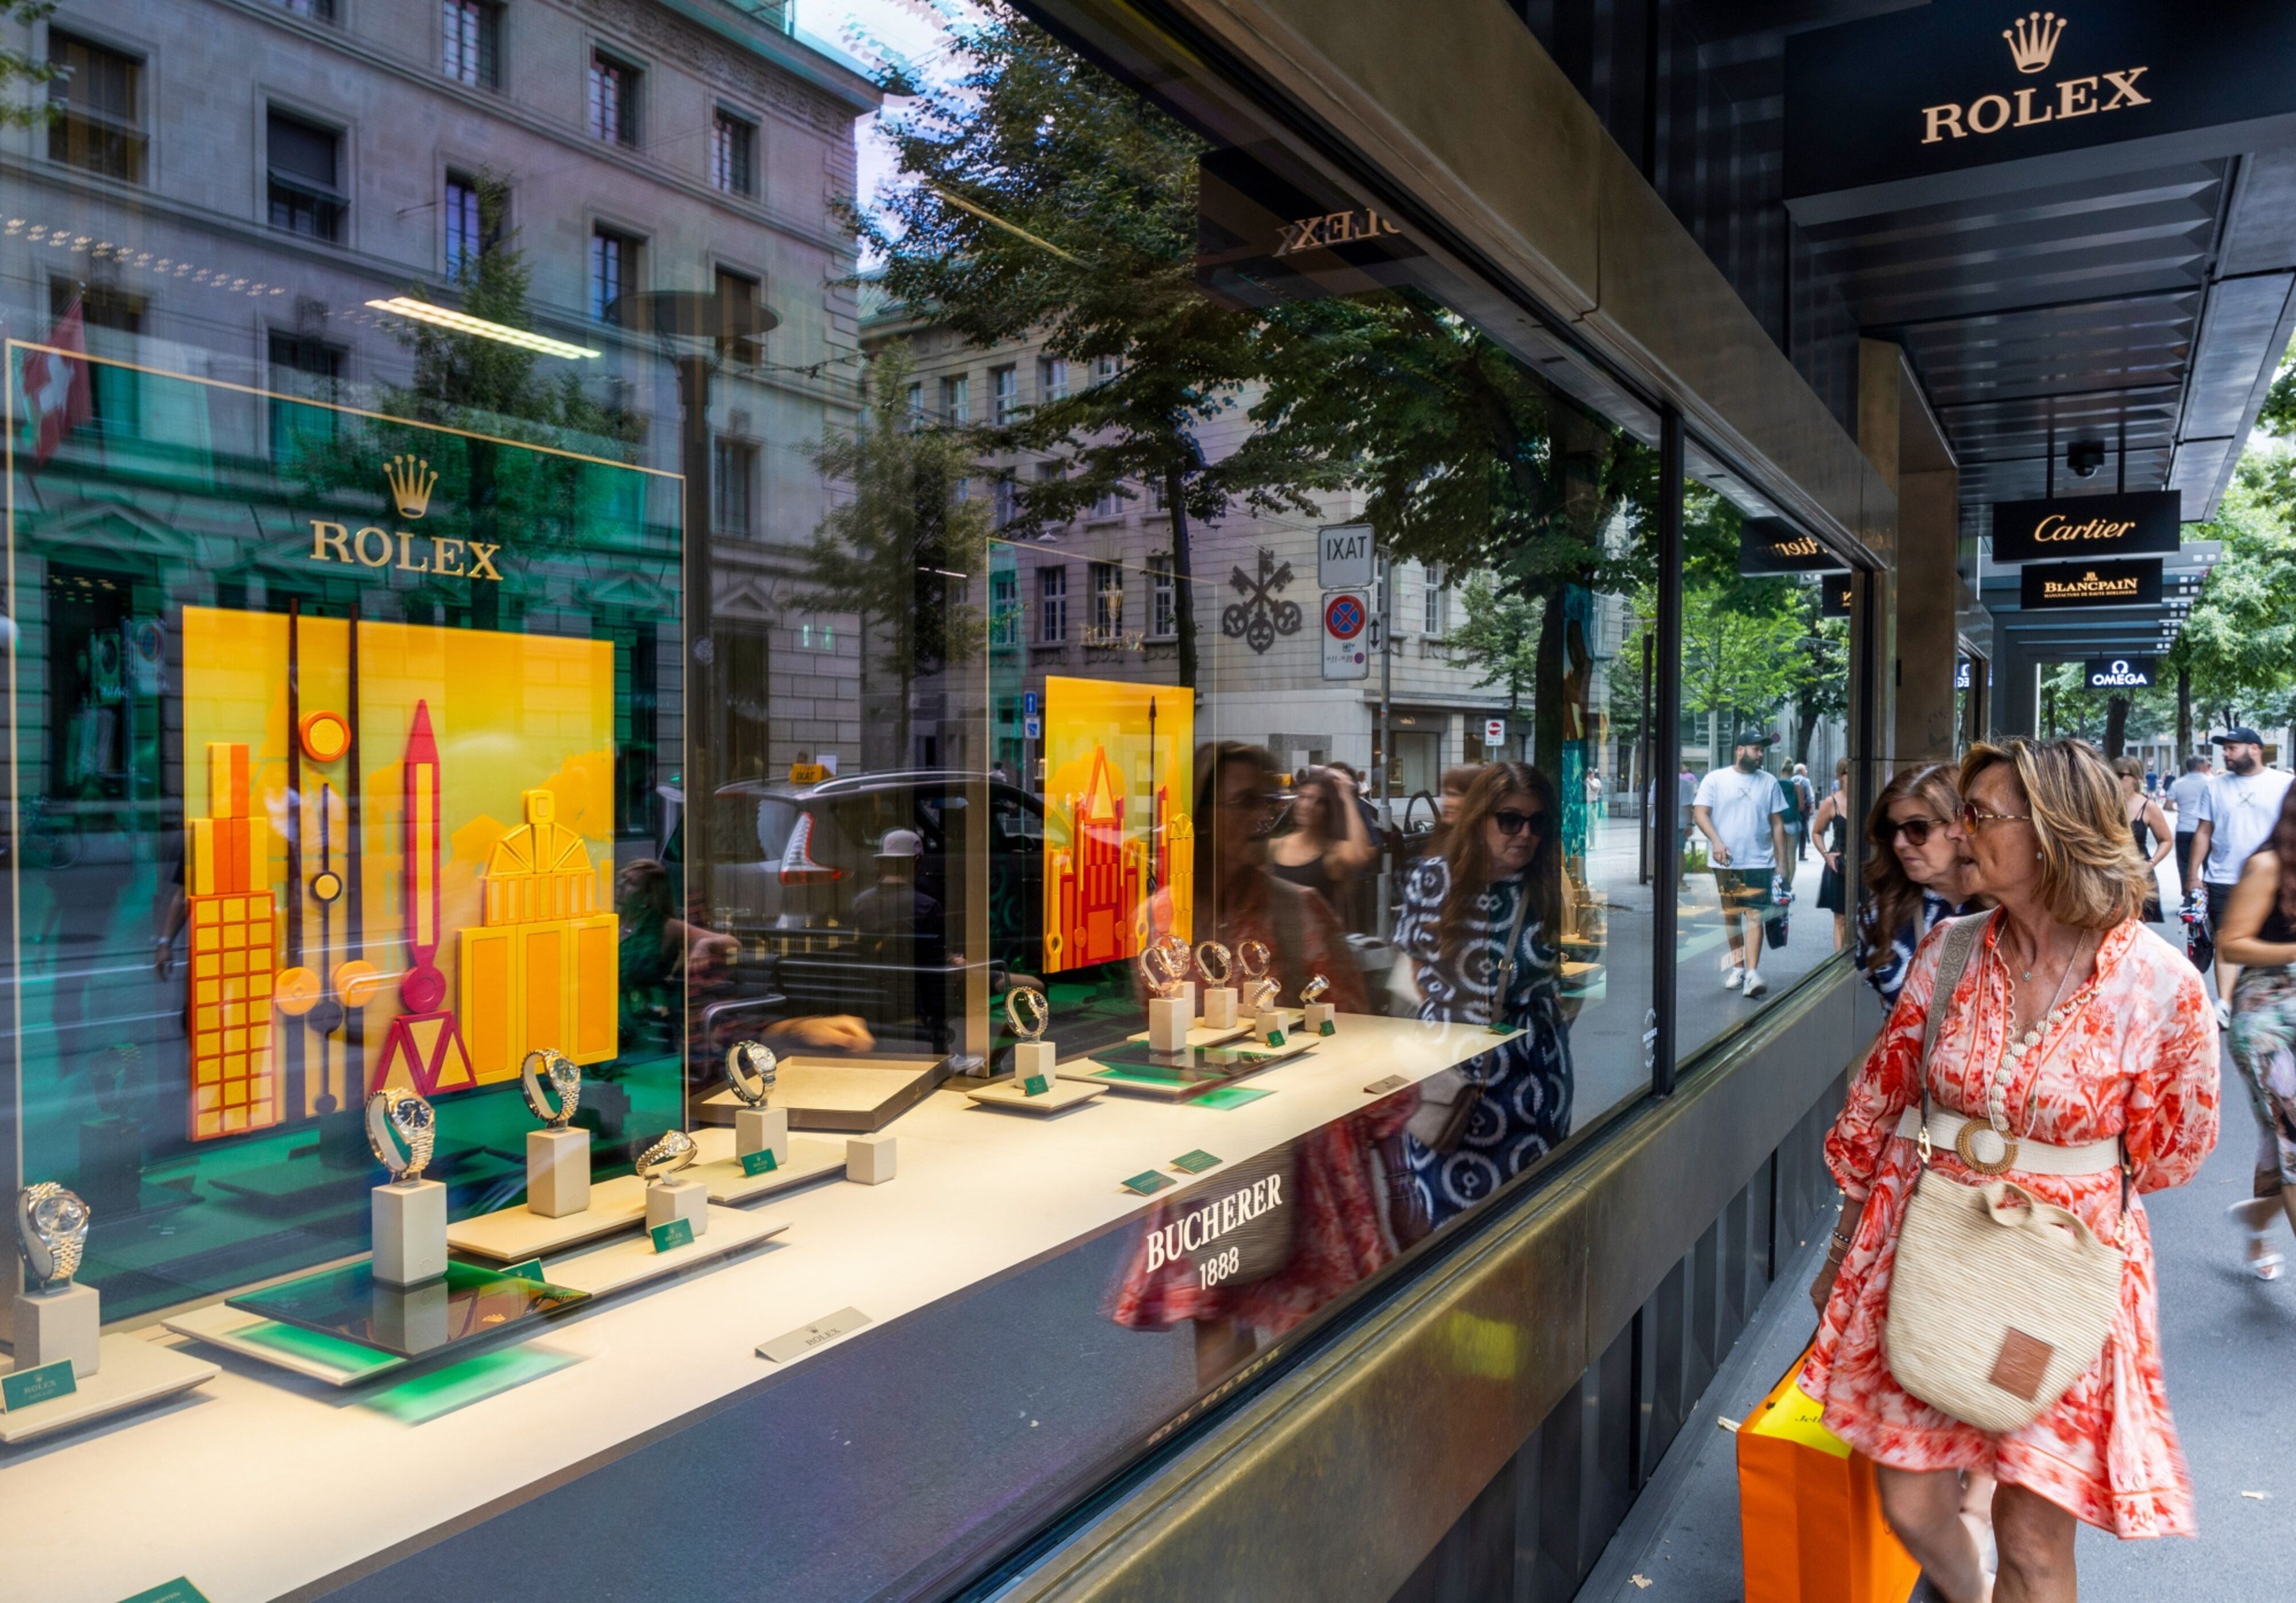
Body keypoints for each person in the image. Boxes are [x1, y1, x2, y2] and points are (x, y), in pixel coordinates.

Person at [1805, 738, 2219, 1603]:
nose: (1959, 835)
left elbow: (2175, 1149)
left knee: (2030, 1535)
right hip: (1928, 1250)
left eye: (1981, 817)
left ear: (2054, 833)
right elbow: (1881, 1102)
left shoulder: (2159, 985)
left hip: (2053, 1276)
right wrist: (1843, 1243)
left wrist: (2056, 1173)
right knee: (1911, 1500)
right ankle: (1967, 1590)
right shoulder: (1951, 951)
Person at [1392, 761, 1574, 1233]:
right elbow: (1418, 973)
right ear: (1480, 819)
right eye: (1510, 819)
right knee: (1449, 1231)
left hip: (1533, 1087)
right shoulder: (1431, 879)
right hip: (1449, 1083)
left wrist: (1535, 1030)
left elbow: (1571, 983)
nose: (1525, 834)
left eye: (1539, 822)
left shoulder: (1551, 887)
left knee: (1529, 1228)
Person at [2216, 783, 2296, 1281]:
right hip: (2266, 1018)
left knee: (2282, 1134)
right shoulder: (2268, 866)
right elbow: (2231, 944)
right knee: (2292, 1137)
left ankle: (2258, 1216)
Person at [2186, 727, 2295, 1024]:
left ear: (2255, 749)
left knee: (2268, 938)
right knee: (2226, 939)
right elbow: (2203, 832)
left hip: (2277, 878)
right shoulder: (2215, 786)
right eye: (2225, 749)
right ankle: (2226, 1002)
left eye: (2232, 748)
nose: (2226, 753)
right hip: (2223, 874)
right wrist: (2193, 875)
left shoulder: (2285, 783)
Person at [1857, 764, 1979, 1007]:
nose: (1900, 843)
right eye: (1892, 830)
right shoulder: (1880, 915)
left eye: (1917, 828)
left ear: (1959, 827)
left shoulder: (2012, 912)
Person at [1692, 732, 1791, 1000]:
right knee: (1731, 915)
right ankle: (1738, 968)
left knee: (1754, 915)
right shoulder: (1716, 779)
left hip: (1761, 860)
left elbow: (1777, 823)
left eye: (1762, 750)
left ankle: (1752, 974)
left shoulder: (1769, 782)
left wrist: (1782, 864)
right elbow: (1700, 813)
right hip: (1727, 862)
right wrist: (1716, 842)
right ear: (1740, 750)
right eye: (1757, 749)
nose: (1761, 755)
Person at [1268, 764, 1377, 928]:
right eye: (1303, 797)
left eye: (1318, 801)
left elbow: (1359, 855)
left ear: (1328, 809)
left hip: (1321, 949)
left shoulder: (1332, 853)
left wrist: (1346, 796)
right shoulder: (1275, 846)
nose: (1307, 806)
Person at [2112, 756, 2170, 923]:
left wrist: (2151, 864)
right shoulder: (2105, 802)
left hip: (2138, 873)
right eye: (2112, 773)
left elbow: (2166, 840)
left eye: (2121, 775)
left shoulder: (2148, 806)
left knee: (2137, 929)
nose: (2115, 778)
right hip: (2111, 871)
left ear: (2136, 778)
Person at [1810, 757, 1853, 951]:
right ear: (1840, 777)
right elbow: (1817, 832)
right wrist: (1826, 854)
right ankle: (1840, 961)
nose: (1851, 777)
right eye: (1846, 773)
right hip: (1840, 865)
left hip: (1864, 865)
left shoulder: (1870, 798)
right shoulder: (1832, 802)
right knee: (1841, 918)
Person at [2163, 754, 2210, 903]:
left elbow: (2168, 805)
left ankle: (2188, 896)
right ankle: (2208, 895)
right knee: (2208, 865)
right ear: (2201, 767)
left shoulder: (2177, 783)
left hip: (2184, 828)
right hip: (2207, 830)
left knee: (2184, 865)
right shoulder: (2212, 782)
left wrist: (2180, 809)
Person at [1791, 762, 1818, 861]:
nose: (1806, 771)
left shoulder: (1792, 780)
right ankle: (1801, 854)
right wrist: (1811, 806)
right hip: (1803, 808)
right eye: (1805, 769)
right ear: (1801, 771)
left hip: (1793, 808)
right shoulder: (1805, 781)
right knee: (1803, 830)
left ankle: (1791, 853)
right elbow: (1808, 796)